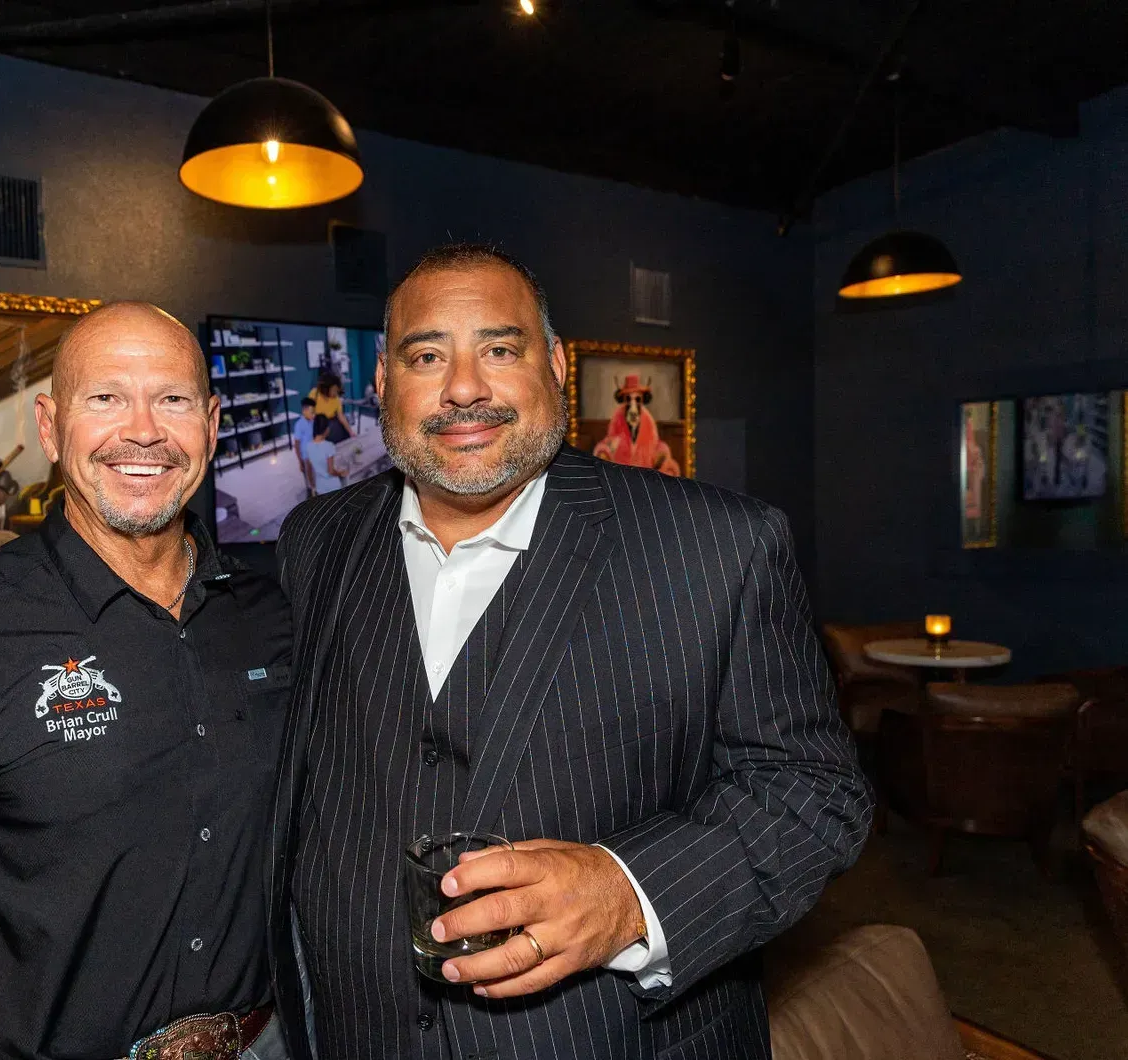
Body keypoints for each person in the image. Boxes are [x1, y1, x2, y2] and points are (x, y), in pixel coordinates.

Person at [268, 244, 870, 1060]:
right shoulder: (317, 539)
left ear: (553, 365)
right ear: (382, 383)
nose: (463, 388)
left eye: (499, 349)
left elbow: (813, 791)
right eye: (426, 356)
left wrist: (630, 894)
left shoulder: (718, 546)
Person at [0, 302, 291, 1060]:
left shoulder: (272, 613)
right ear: (50, 426)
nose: (143, 431)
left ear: (211, 423)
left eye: (172, 399)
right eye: (106, 398)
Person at [301, 414, 346, 495]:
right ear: (326, 429)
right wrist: (341, 473)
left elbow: (308, 470)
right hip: (333, 486)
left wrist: (312, 486)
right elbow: (331, 471)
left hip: (320, 486)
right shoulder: (329, 446)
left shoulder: (308, 446)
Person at [306, 373, 353, 443]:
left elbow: (341, 416)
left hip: (332, 423)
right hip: (319, 425)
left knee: (343, 428)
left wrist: (351, 432)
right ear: (325, 388)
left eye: (337, 390)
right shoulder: (314, 393)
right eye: (334, 390)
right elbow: (308, 413)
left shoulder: (336, 398)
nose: (336, 393)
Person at [291, 397, 318, 497]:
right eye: (312, 412)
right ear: (304, 411)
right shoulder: (299, 425)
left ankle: (315, 488)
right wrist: (300, 461)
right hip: (306, 455)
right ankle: (311, 490)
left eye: (314, 412)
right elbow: (297, 444)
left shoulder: (313, 422)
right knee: (308, 474)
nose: (313, 414)